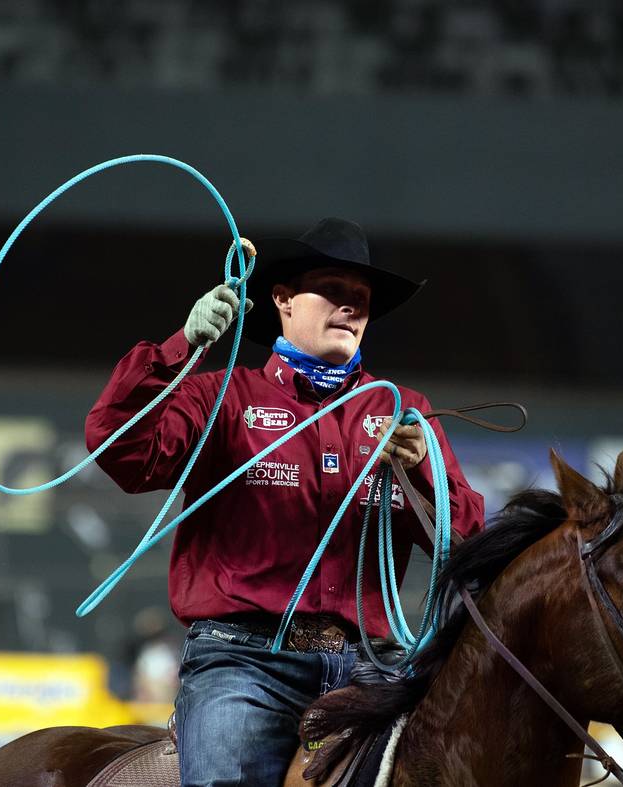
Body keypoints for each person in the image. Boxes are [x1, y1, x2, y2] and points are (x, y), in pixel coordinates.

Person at [86, 217, 484, 786]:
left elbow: (467, 547)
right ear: (283, 300)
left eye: (362, 299)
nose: (351, 307)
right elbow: (119, 447)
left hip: (372, 666)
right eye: (334, 290)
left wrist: (423, 470)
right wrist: (183, 347)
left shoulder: (405, 413)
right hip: (244, 663)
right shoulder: (222, 396)